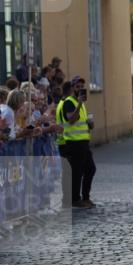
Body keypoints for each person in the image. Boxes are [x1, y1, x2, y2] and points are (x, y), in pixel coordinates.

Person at [60, 75, 96, 208]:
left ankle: (86, 197)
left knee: (90, 169)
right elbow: (71, 119)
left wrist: (90, 124)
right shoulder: (69, 102)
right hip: (73, 143)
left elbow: (81, 123)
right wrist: (80, 103)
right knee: (77, 172)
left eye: (82, 87)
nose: (80, 89)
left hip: (83, 143)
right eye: (77, 87)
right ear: (72, 88)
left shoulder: (81, 104)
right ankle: (75, 199)